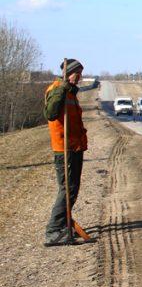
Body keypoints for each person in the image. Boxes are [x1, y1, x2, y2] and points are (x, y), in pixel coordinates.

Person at [43, 58, 87, 246]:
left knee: (72, 188)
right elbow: (51, 114)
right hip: (64, 149)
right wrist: (62, 89)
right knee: (67, 189)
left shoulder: (70, 92)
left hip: (74, 147)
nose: (80, 77)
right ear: (69, 73)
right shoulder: (57, 90)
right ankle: (53, 230)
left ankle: (64, 224)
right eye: (78, 73)